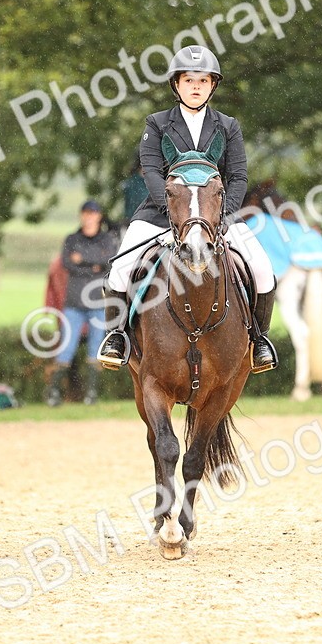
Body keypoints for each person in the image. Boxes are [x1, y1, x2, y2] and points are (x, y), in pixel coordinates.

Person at [96, 44, 278, 372]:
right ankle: (116, 336)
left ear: (212, 86)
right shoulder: (157, 123)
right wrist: (173, 215)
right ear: (176, 85)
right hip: (162, 213)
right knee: (121, 268)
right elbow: (151, 171)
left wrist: (219, 217)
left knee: (263, 269)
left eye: (203, 80)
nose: (196, 86)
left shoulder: (228, 126)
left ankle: (259, 341)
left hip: (216, 216)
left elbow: (238, 176)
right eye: (189, 80)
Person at [46, 200, 119, 407]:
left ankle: (91, 394)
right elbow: (68, 263)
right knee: (65, 349)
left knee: (96, 349)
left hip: (97, 302)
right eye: (85, 213)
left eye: (92, 213)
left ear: (99, 216)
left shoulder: (107, 239)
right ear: (81, 215)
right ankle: (54, 394)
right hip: (74, 303)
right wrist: (94, 264)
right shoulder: (72, 238)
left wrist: (83, 260)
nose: (89, 217)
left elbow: (108, 262)